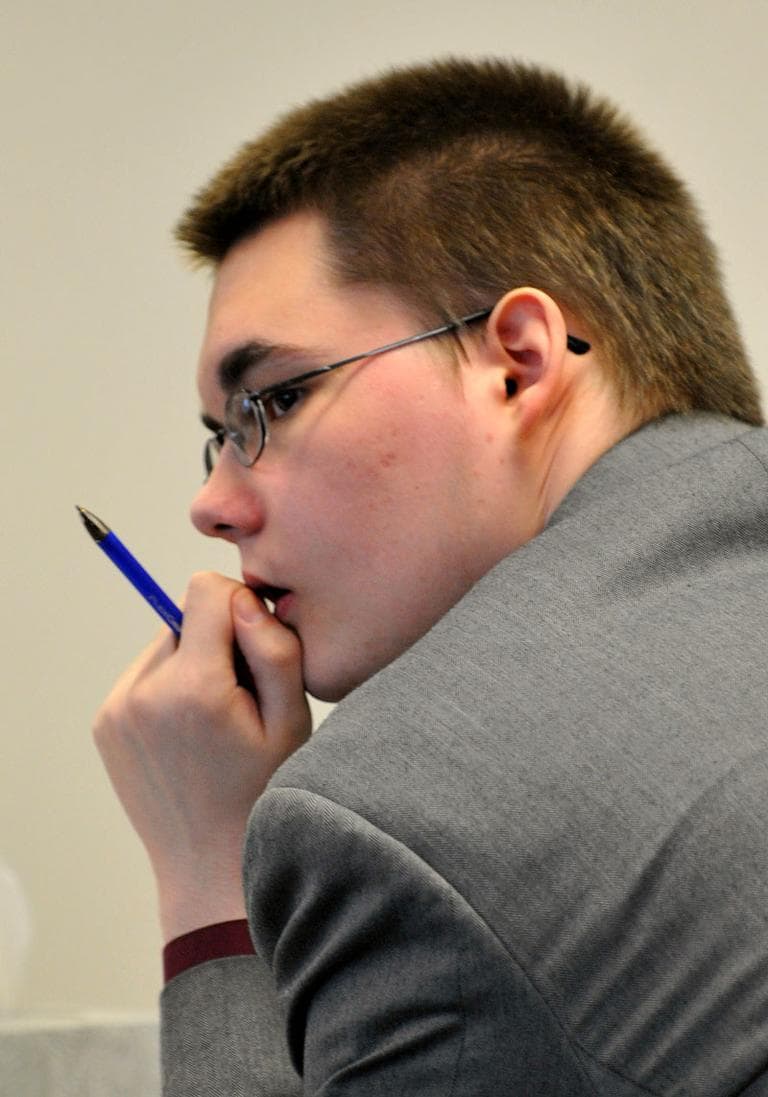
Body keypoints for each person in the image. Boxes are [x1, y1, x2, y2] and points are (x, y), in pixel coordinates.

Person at [93, 58, 768, 1095]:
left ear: (518, 361)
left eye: (273, 401)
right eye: (218, 436)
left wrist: (210, 884)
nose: (213, 504)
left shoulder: (396, 820)